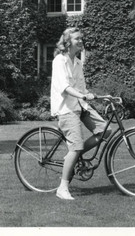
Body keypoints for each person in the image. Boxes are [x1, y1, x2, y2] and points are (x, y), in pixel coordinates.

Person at [50, 27, 111, 200]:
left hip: (81, 105)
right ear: (68, 42)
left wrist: (95, 97)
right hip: (66, 109)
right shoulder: (59, 61)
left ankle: (74, 154)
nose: (81, 41)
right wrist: (83, 95)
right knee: (75, 147)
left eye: (81, 38)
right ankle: (62, 188)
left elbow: (82, 89)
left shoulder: (77, 62)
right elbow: (65, 87)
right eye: (77, 39)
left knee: (105, 130)